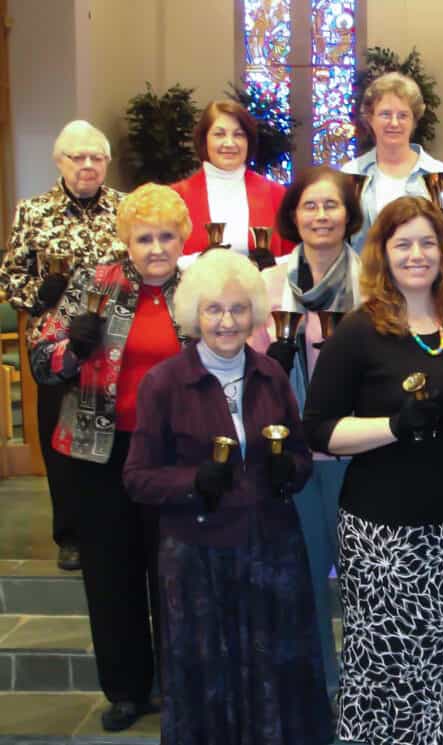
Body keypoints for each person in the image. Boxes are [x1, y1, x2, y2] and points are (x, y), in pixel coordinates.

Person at [303, 196, 443, 744]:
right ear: (383, 255)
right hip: (384, 538)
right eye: (403, 243)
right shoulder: (358, 331)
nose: (417, 254)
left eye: (427, 242)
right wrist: (396, 424)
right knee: (389, 671)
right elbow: (318, 430)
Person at [124, 249, 330, 745]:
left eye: (238, 309)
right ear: (195, 313)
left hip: (271, 549)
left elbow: (301, 458)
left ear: (254, 314)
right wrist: (193, 483)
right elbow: (137, 477)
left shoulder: (270, 374)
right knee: (209, 677)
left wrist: (290, 470)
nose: (227, 321)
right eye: (214, 309)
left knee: (276, 670)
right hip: (199, 558)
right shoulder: (164, 383)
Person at [28, 183, 191, 731]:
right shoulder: (92, 283)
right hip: (100, 453)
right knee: (110, 573)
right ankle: (125, 689)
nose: (156, 247)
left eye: (167, 236)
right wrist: (71, 348)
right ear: (126, 239)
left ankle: (180, 686)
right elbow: (42, 363)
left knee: (175, 574)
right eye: (144, 237)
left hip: (173, 453)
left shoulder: (197, 287)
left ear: (182, 238)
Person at [249, 165, 363, 699]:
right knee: (306, 579)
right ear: (293, 215)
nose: (321, 216)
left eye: (332, 205)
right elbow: (242, 374)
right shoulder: (267, 284)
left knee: (366, 584)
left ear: (349, 215)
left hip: (358, 457)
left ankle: (367, 686)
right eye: (310, 206)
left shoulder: (374, 282)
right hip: (291, 458)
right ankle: (318, 686)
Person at [0, 120, 123, 572]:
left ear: (107, 162)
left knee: (114, 435)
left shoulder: (126, 209)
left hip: (115, 343)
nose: (88, 165)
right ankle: (70, 535)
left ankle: (115, 524)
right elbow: (10, 278)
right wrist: (40, 295)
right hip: (55, 348)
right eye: (78, 157)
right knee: (61, 440)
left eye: (96, 157)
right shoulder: (34, 212)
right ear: (60, 161)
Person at [343, 72, 443, 253]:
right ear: (370, 119)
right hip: (364, 279)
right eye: (385, 114)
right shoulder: (351, 173)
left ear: (414, 121)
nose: (394, 123)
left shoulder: (438, 173)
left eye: (403, 115)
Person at [173, 99, 291, 263]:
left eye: (238, 134)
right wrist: (196, 261)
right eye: (219, 134)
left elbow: (296, 257)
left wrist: (272, 264)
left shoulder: (276, 194)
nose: (229, 143)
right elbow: (160, 262)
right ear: (204, 139)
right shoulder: (176, 197)